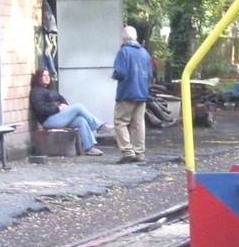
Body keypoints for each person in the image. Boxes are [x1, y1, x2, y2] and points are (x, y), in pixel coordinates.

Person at [28, 67, 106, 156]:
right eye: (43, 76)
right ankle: (99, 126)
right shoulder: (36, 92)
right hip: (48, 120)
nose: (47, 77)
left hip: (58, 117)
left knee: (81, 120)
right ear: (38, 78)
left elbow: (61, 98)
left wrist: (64, 105)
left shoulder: (50, 89)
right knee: (78, 107)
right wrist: (57, 108)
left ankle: (90, 147)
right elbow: (41, 109)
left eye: (48, 75)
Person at [111, 24, 153, 163]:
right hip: (142, 93)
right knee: (138, 124)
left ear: (123, 37)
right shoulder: (144, 53)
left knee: (120, 122)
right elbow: (150, 74)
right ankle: (139, 153)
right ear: (136, 37)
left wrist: (114, 76)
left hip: (127, 92)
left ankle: (127, 151)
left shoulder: (124, 52)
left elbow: (120, 72)